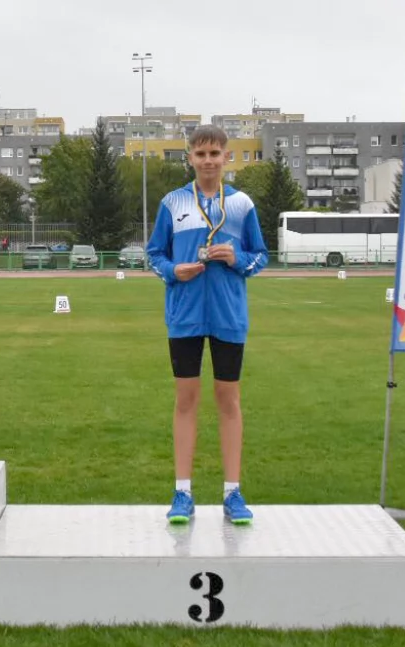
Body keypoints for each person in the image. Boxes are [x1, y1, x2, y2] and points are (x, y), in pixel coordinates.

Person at [146, 124, 268, 525]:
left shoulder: (242, 205)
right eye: (201, 154)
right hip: (184, 315)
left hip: (228, 315)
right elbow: (153, 254)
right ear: (190, 158)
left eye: (215, 153)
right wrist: (172, 270)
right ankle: (183, 492)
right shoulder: (172, 201)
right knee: (186, 400)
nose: (209, 161)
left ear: (226, 157)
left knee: (228, 401)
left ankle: (232, 493)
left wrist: (236, 259)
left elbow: (260, 256)